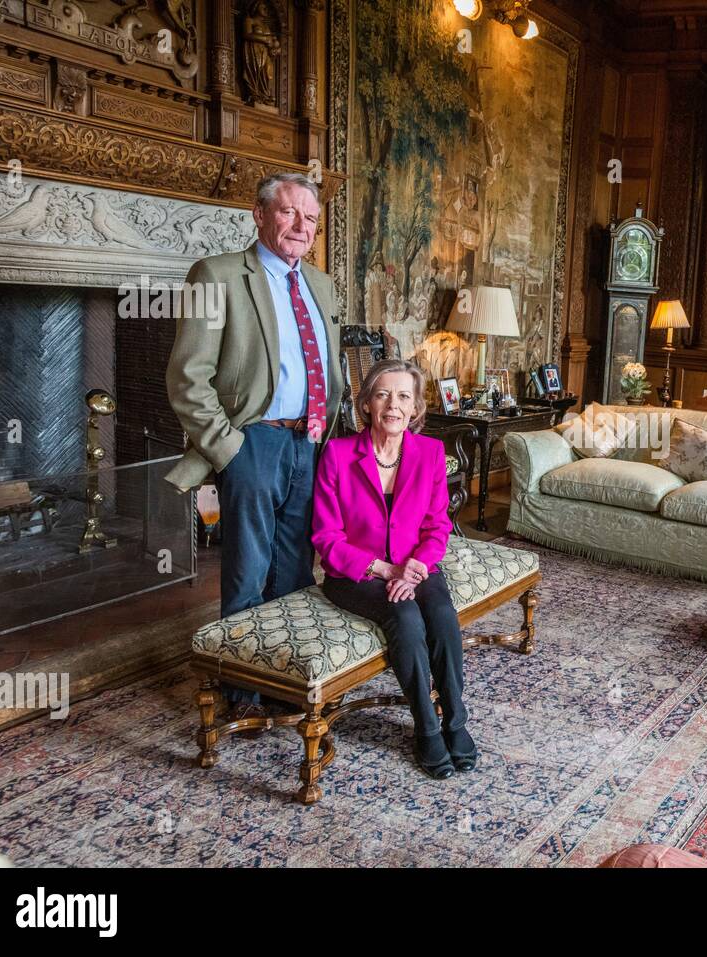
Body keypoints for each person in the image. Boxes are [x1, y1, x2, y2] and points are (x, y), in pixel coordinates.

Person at [165, 172, 343, 721]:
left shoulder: (322, 284)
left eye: (310, 219)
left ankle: (284, 680)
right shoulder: (215, 275)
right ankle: (239, 690)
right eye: (290, 213)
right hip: (254, 441)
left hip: (311, 440)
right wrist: (229, 447)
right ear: (260, 214)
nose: (300, 227)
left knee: (294, 569)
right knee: (247, 569)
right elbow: (188, 376)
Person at [311, 359, 475, 780]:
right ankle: (426, 728)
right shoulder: (338, 453)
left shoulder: (431, 453)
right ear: (367, 403)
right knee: (404, 617)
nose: (393, 405)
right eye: (383, 394)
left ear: (416, 407)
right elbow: (326, 537)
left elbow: (438, 524)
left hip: (417, 567)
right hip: (356, 575)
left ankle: (455, 720)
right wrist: (384, 570)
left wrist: (416, 566)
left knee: (440, 614)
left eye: (404, 396)